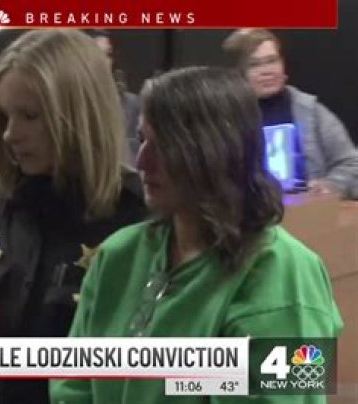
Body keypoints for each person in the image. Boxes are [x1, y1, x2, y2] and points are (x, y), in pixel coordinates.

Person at [50, 67, 343, 404]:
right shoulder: (118, 255)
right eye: (142, 140)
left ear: (213, 151)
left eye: (163, 146)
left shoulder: (285, 275)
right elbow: (72, 387)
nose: (142, 162)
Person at [0, 30, 147, 404]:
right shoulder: (15, 205)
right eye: (5, 116)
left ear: (78, 116)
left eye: (30, 116)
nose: (11, 134)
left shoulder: (137, 217)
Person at [222, 28, 358, 198]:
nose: (267, 71)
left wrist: (330, 186)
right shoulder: (222, 118)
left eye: (272, 61)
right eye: (254, 64)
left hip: (308, 211)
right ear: (235, 72)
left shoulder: (310, 111)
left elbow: (351, 163)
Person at [86, 29, 141, 163]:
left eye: (108, 54)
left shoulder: (131, 104)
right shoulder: (71, 101)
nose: (104, 61)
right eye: (96, 54)